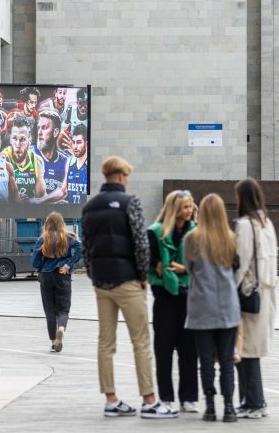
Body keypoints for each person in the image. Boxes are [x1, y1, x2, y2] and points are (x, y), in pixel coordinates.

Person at [81, 156, 178, 419]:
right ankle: (149, 400)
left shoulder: (89, 207)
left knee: (105, 342)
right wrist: (143, 275)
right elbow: (140, 243)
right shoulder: (130, 202)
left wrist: (93, 276)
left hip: (102, 283)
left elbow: (86, 248)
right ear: (122, 176)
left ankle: (111, 399)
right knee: (141, 342)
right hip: (127, 281)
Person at [183, 194, 240, 423]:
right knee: (227, 361)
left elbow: (189, 269)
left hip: (201, 305)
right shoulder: (230, 237)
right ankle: (229, 407)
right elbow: (236, 268)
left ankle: (209, 407)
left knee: (205, 361)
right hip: (227, 305)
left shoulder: (192, 238)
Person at [146, 190, 199, 414]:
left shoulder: (195, 232)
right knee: (164, 349)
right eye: (185, 207)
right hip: (164, 296)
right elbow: (147, 258)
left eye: (190, 206)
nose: (188, 211)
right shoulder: (155, 232)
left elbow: (202, 262)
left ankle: (188, 398)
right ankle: (166, 397)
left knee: (189, 350)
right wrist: (159, 266)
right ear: (174, 208)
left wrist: (185, 269)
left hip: (189, 295)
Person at [233, 177, 277, 419]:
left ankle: (254, 402)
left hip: (248, 294)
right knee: (251, 351)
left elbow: (241, 262)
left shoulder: (245, 225)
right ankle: (252, 401)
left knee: (245, 349)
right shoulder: (267, 223)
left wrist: (229, 289)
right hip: (266, 293)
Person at [31, 212, 82, 353]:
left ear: (47, 224)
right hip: (62, 275)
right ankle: (61, 328)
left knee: (49, 310)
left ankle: (54, 342)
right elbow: (80, 249)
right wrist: (68, 265)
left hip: (46, 276)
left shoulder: (42, 239)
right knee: (63, 308)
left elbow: (34, 262)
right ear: (62, 224)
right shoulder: (68, 237)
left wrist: (42, 266)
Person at [2, 116, 46, 202]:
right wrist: (14, 198)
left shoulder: (37, 161)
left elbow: (41, 196)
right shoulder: (3, 159)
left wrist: (30, 201)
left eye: (22, 139)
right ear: (10, 139)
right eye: (15, 138)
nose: (18, 145)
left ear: (30, 140)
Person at [33, 110, 69, 201]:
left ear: (55, 132)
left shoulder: (66, 162)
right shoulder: (29, 155)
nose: (39, 132)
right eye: (38, 128)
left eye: (44, 128)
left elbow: (66, 193)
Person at [60, 124, 89, 205]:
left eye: (79, 142)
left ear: (86, 143)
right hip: (72, 212)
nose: (75, 146)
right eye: (73, 142)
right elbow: (64, 191)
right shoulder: (70, 162)